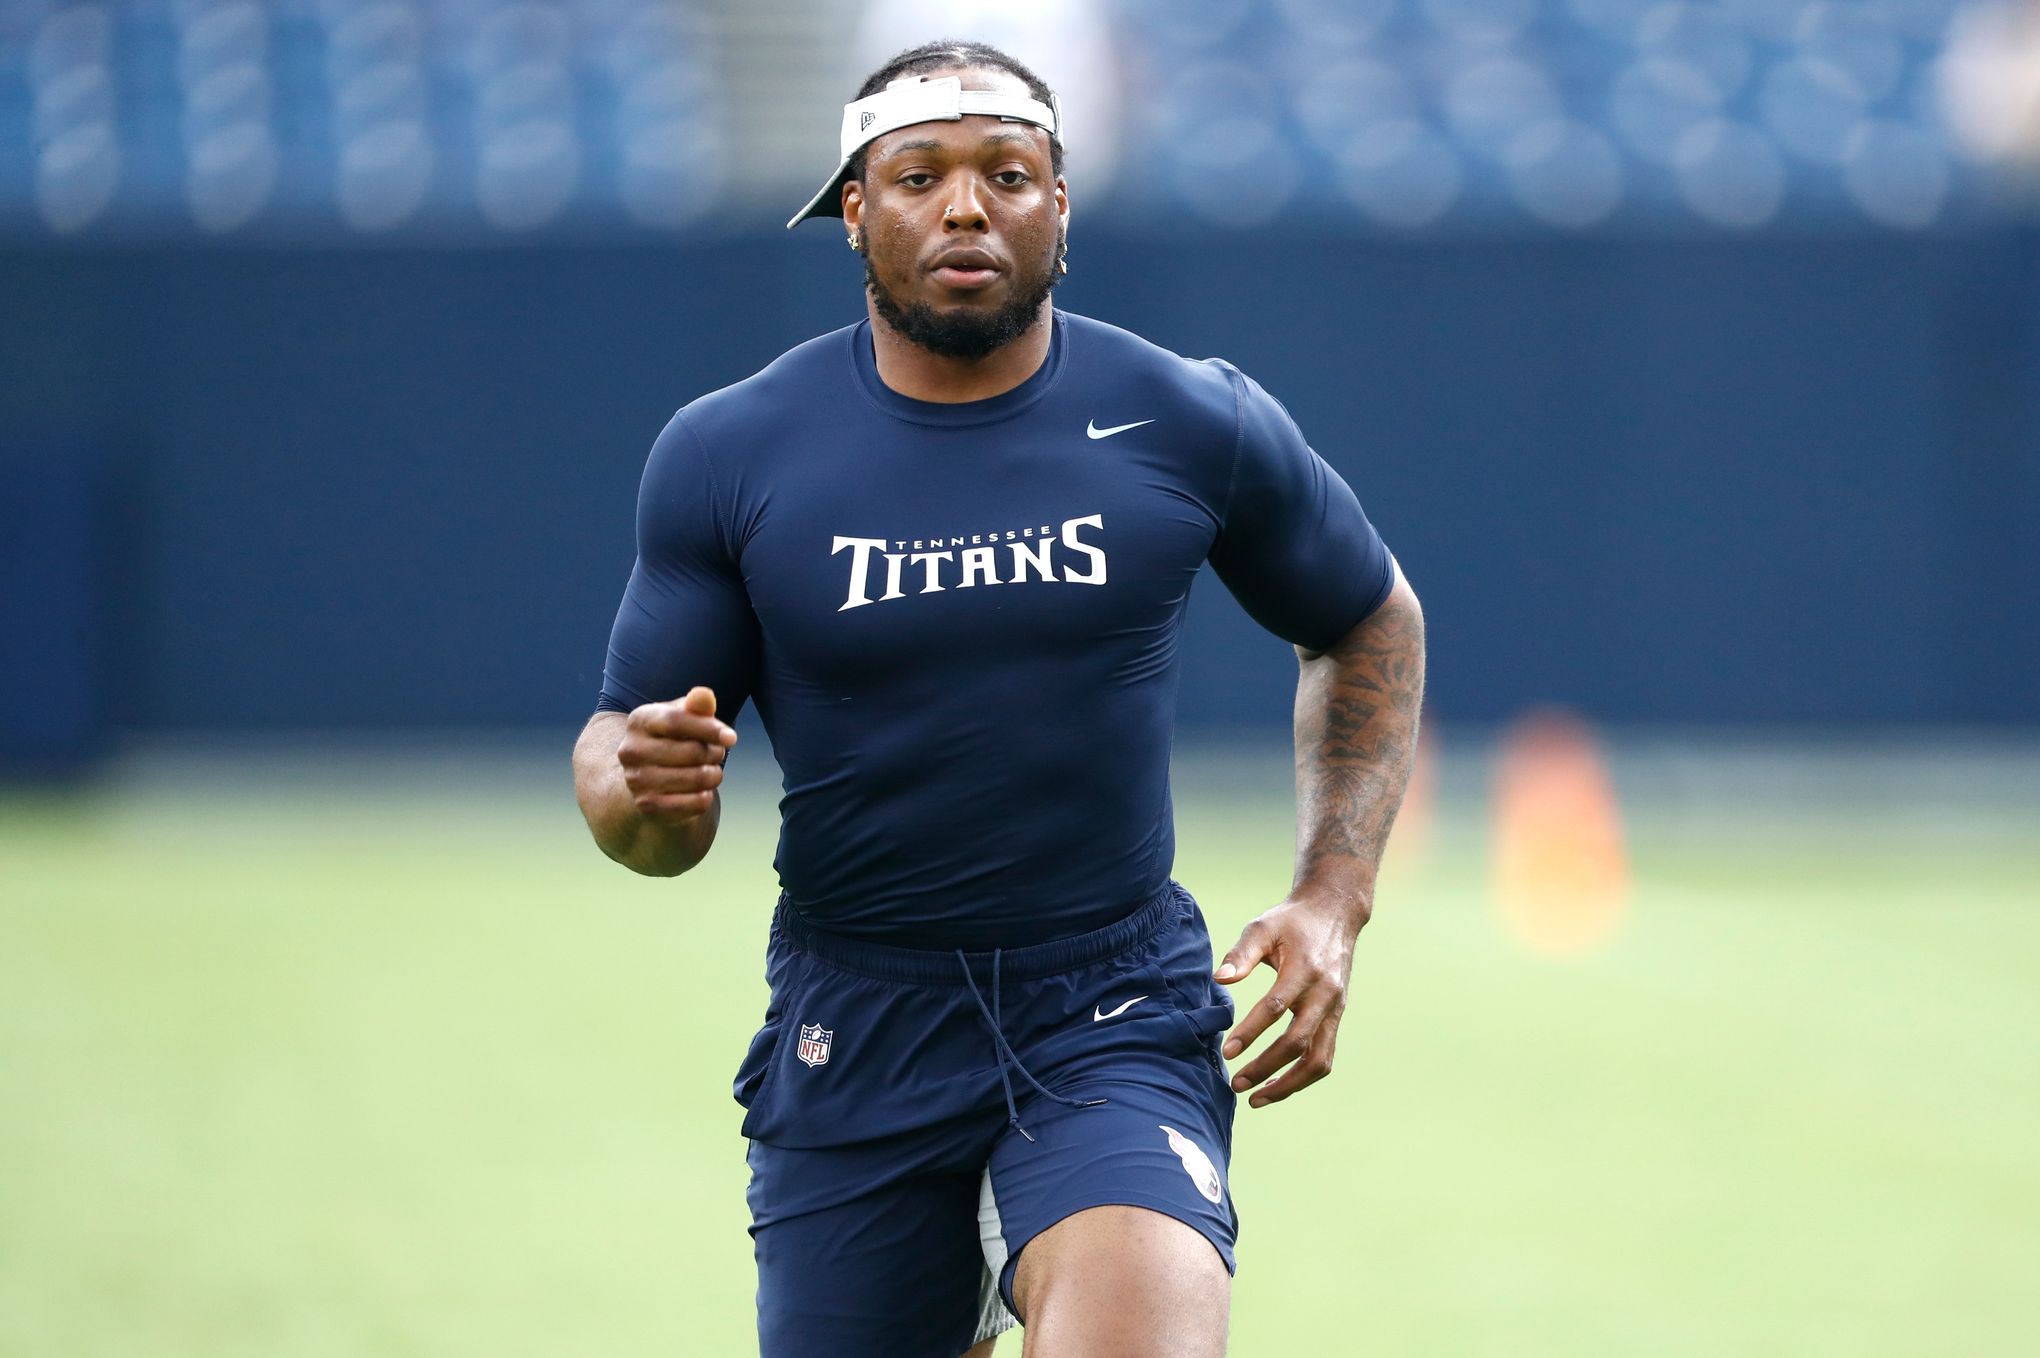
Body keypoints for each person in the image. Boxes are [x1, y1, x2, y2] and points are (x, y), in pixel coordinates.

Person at [571, 40, 1426, 1358]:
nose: (966, 206)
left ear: (1062, 211)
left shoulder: (1187, 419)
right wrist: (639, 792)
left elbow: (1367, 616)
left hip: (1111, 1002)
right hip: (856, 1023)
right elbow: (636, 785)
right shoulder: (729, 452)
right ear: (856, 210)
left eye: (1008, 174)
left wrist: (1334, 897)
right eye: (919, 175)